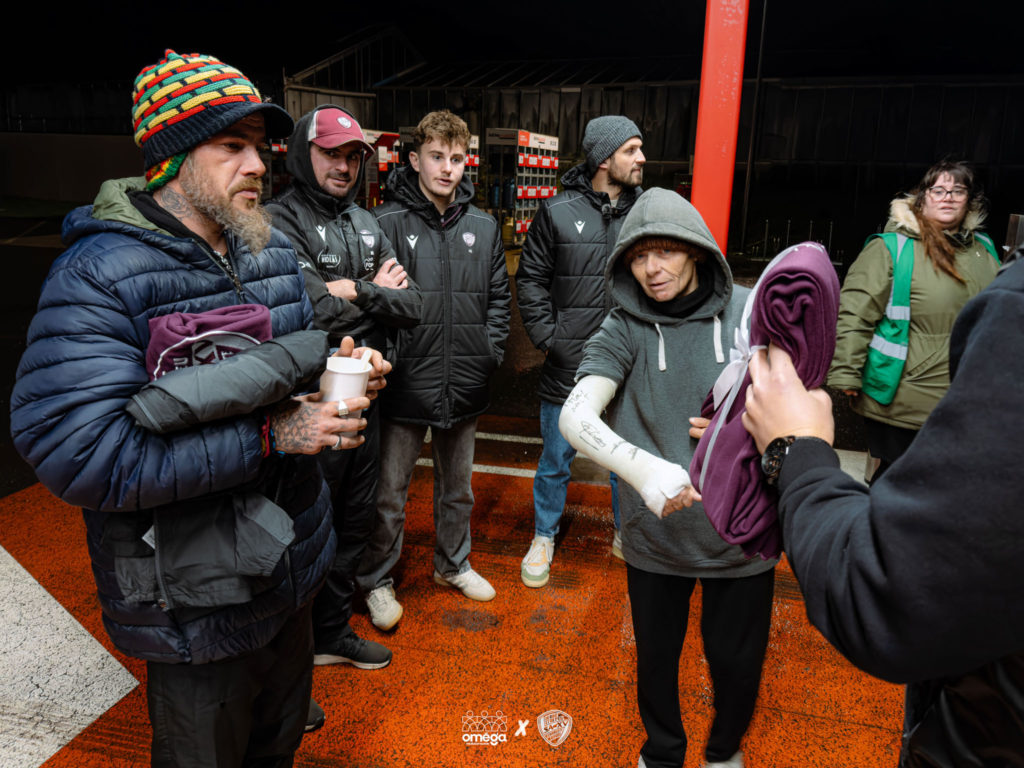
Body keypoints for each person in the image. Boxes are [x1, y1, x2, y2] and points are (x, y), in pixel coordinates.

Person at [8, 50, 386, 766]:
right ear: (172, 159)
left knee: (276, 752)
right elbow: (80, 455)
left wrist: (351, 367)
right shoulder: (99, 275)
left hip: (291, 574)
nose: (259, 166)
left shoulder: (267, 251)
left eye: (261, 147)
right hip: (195, 605)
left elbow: (312, 349)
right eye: (231, 146)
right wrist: (273, 438)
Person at [741, 244, 1024, 764]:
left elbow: (888, 589)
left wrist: (795, 449)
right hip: (899, 399)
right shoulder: (895, 251)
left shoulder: (1010, 294)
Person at [559, 188, 774, 768]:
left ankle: (724, 752)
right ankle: (662, 753)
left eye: (666, 253)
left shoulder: (751, 313)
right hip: (657, 534)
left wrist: (747, 427)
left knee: (737, 660)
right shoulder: (624, 326)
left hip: (742, 535)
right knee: (656, 657)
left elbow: (799, 396)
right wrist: (647, 470)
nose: (651, 269)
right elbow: (576, 417)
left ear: (698, 253)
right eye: (638, 256)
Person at [266, 105, 422, 670]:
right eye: (331, 152)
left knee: (355, 521)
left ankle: (331, 633)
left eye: (353, 155)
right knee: (306, 527)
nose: (344, 165)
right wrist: (370, 297)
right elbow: (307, 312)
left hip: (367, 405)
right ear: (302, 154)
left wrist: (354, 289)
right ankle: (294, 653)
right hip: (308, 406)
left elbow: (413, 305)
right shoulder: (279, 221)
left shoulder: (366, 221)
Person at [356, 110, 511, 626]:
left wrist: (487, 350)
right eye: (438, 157)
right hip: (404, 383)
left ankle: (453, 564)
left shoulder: (484, 227)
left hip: (464, 379)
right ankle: (377, 579)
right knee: (389, 495)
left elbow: (497, 303)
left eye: (457, 158)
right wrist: (391, 359)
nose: (448, 168)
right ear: (416, 159)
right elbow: (371, 305)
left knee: (458, 489)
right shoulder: (385, 224)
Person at [516, 115, 645, 587]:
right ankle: (544, 536)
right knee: (555, 460)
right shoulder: (556, 211)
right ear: (604, 158)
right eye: (632, 150)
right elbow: (529, 279)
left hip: (628, 364)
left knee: (623, 460)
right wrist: (550, 338)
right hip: (568, 363)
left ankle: (626, 534)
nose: (641, 158)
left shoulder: (644, 213)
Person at [828, 159, 999, 482]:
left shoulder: (984, 250)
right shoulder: (891, 248)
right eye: (938, 190)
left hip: (966, 395)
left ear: (970, 200)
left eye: (958, 190)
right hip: (903, 397)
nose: (948, 197)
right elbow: (855, 313)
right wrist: (846, 375)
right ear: (922, 198)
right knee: (899, 483)